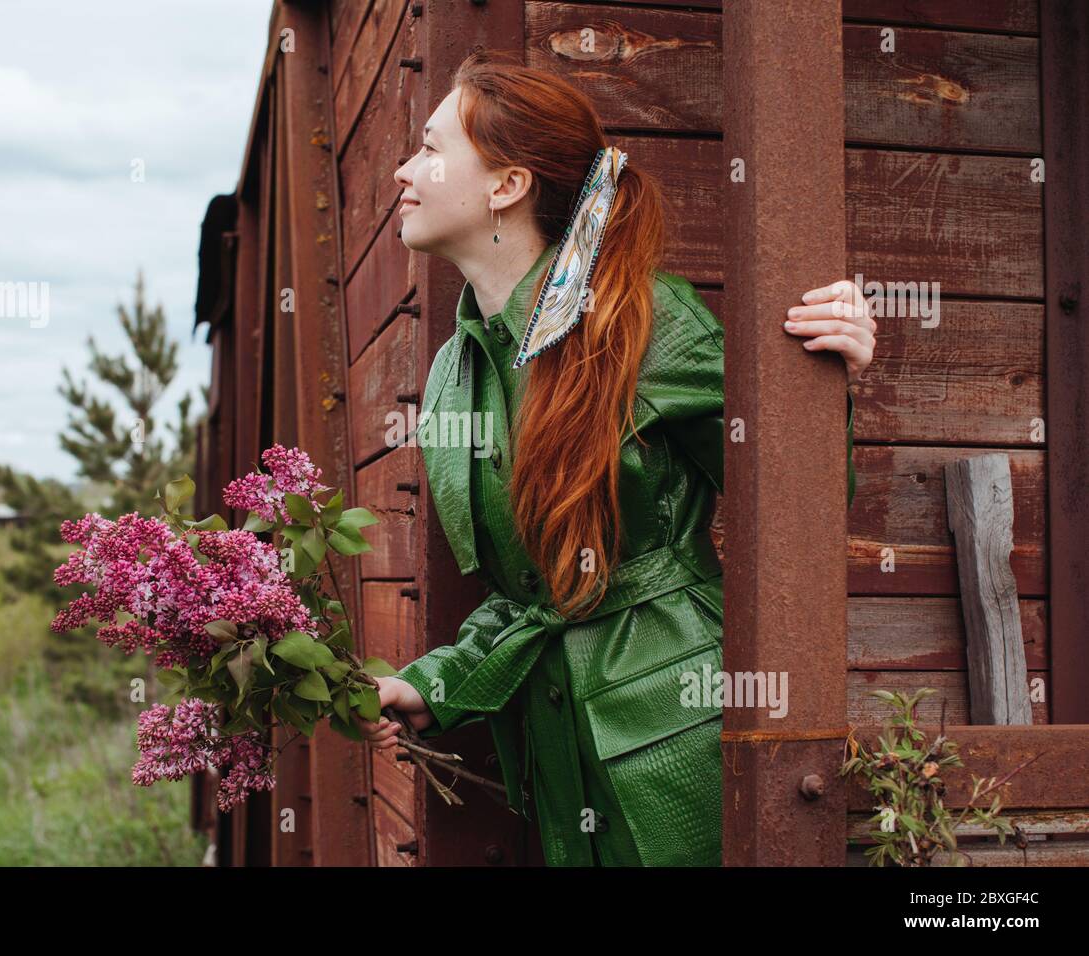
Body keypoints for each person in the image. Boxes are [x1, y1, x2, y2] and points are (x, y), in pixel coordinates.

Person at [354, 53, 876, 866]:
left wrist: (830, 380)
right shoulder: (458, 372)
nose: (402, 171)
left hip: (687, 735)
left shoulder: (643, 323)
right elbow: (538, 588)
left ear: (505, 186)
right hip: (559, 757)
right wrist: (436, 682)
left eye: (428, 149)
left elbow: (802, 509)